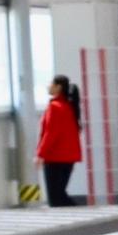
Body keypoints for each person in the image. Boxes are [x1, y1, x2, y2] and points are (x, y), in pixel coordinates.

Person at [36, 73, 85, 207]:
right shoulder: (69, 108)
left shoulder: (55, 107)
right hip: (68, 158)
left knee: (55, 198)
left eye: (51, 84)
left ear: (58, 87)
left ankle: (80, 217)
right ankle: (80, 217)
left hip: (55, 158)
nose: (48, 86)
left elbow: (50, 133)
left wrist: (40, 154)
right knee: (60, 195)